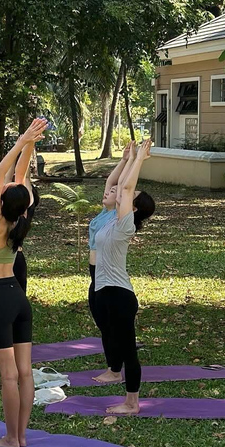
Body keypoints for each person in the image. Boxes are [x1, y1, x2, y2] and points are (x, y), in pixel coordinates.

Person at [0, 118, 48, 447]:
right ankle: (20, 437)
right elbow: (17, 178)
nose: (6, 185)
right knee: (25, 373)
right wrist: (30, 142)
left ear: (4, 201)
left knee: (8, 375)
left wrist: (22, 140)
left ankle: (11, 438)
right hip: (18, 299)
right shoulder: (20, 218)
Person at [93, 139, 155, 414]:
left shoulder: (125, 225)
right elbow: (119, 187)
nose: (120, 194)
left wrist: (139, 159)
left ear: (134, 208)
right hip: (106, 292)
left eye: (127, 197)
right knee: (117, 342)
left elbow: (127, 187)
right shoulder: (112, 221)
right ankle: (124, 390)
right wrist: (129, 159)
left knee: (128, 349)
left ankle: (132, 402)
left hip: (120, 295)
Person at [87, 142, 131, 383]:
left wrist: (135, 163)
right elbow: (112, 182)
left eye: (113, 193)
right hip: (94, 273)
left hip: (105, 273)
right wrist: (123, 160)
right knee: (102, 321)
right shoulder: (104, 213)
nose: (107, 192)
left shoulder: (118, 215)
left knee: (109, 322)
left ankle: (115, 370)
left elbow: (123, 185)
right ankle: (113, 365)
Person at [4, 140, 41, 294]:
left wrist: (25, 145)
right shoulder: (14, 207)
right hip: (13, 259)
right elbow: (13, 177)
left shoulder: (10, 210)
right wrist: (26, 144)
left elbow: (18, 176)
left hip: (11, 260)